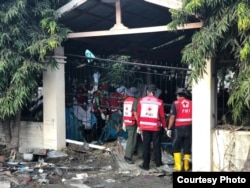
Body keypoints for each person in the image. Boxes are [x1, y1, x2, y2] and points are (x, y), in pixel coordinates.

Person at [137, 84, 167, 170]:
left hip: (145, 127)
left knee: (146, 145)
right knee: (157, 145)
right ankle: (158, 164)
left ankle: (146, 165)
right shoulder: (159, 102)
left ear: (147, 92)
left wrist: (139, 126)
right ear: (154, 93)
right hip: (155, 127)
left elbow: (138, 115)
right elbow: (162, 116)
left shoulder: (141, 101)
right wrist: (165, 126)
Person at [167, 88, 192, 172]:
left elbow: (172, 117)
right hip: (189, 128)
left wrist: (169, 128)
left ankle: (178, 166)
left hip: (178, 129)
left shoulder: (175, 103)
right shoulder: (191, 103)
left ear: (178, 95)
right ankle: (186, 167)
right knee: (187, 147)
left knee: (176, 147)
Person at [123, 87, 140, 164]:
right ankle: (128, 156)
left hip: (127, 121)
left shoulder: (126, 100)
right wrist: (139, 123)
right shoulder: (135, 101)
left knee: (136, 138)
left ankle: (141, 153)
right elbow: (136, 113)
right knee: (132, 140)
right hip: (132, 122)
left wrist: (123, 122)